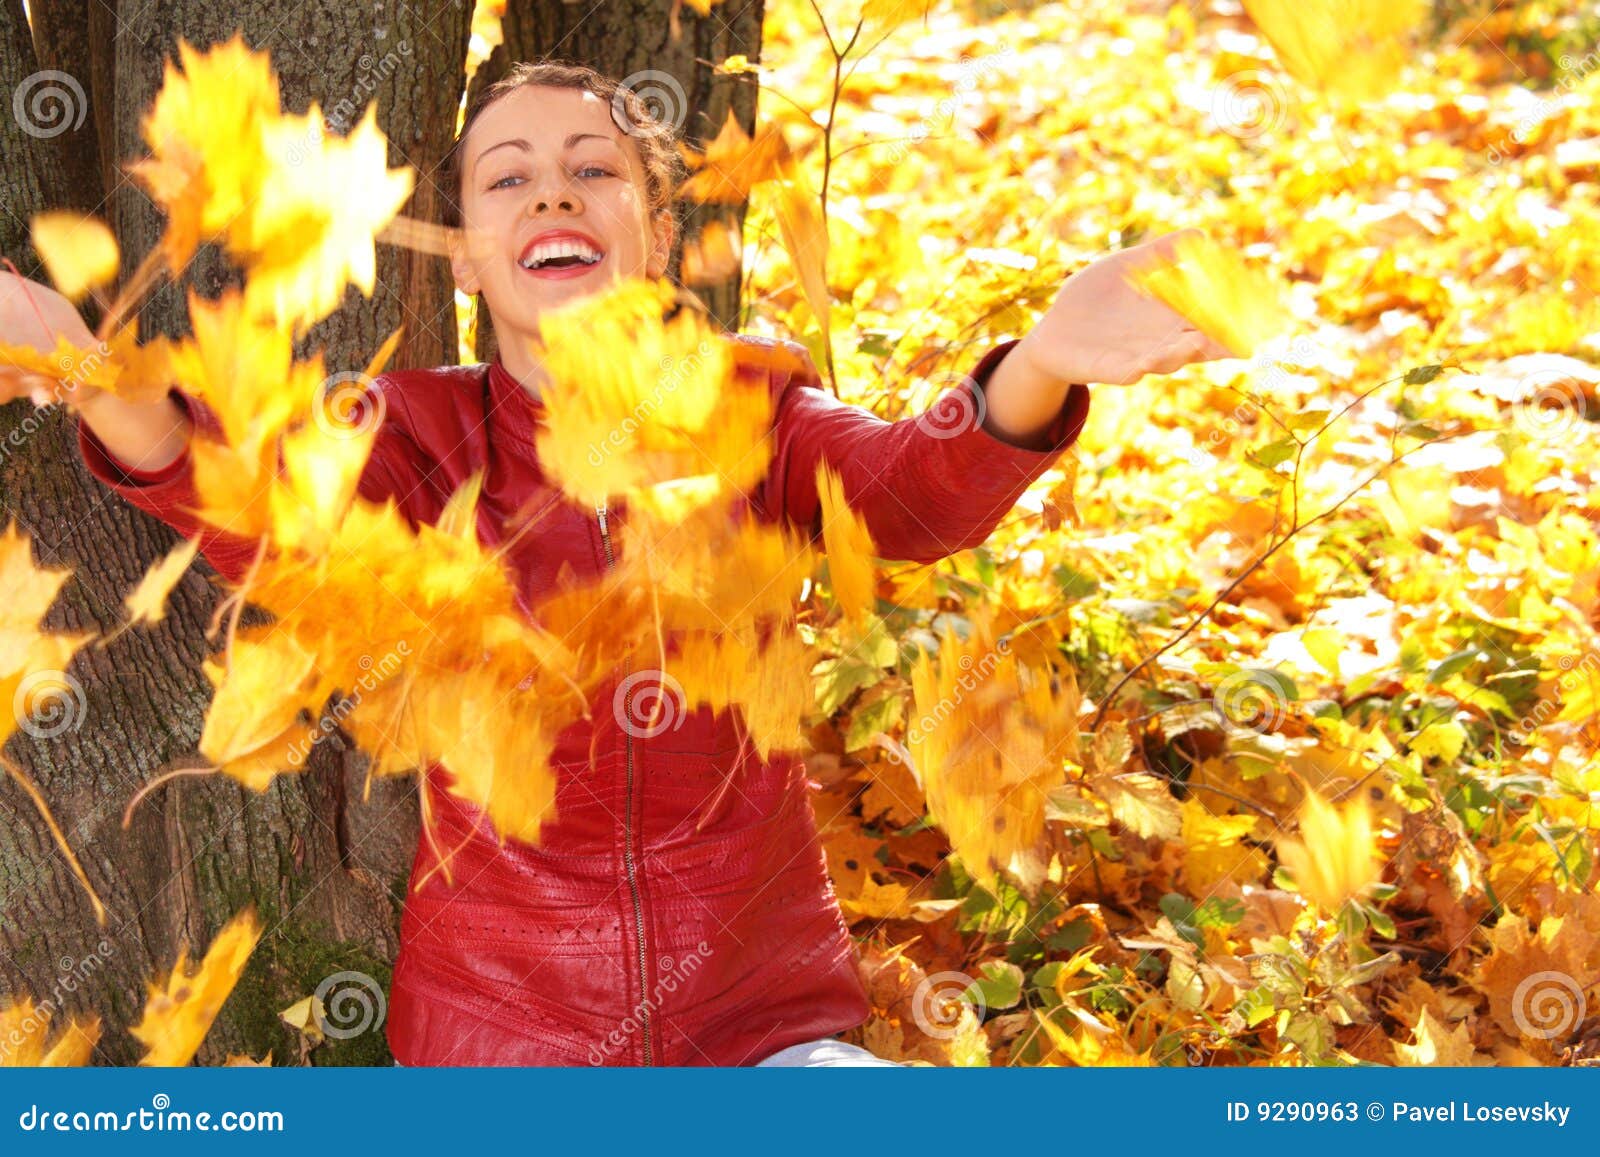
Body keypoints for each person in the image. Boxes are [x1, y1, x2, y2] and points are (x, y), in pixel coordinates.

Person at [0, 59, 1230, 1067]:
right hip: (501, 1044)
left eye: (594, 171)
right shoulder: (417, 436)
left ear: (655, 232)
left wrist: (1041, 363)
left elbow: (907, 495)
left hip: (761, 1033)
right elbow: (247, 504)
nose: (554, 194)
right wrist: (82, 370)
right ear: (467, 256)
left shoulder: (752, 407)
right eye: (509, 178)